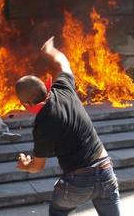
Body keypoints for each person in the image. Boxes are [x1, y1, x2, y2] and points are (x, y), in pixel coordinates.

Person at [15, 37, 121, 216]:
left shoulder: (42, 124)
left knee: (57, 211)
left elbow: (38, 166)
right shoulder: (64, 89)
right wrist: (50, 50)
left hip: (77, 181)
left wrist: (26, 165)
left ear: (26, 104)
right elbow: (62, 62)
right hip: (105, 171)